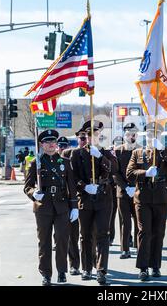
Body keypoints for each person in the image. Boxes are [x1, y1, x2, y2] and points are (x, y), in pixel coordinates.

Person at [24, 129, 79, 286]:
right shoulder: (36, 163)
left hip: (62, 206)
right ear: (41, 144)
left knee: (62, 239)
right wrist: (34, 193)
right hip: (43, 207)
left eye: (53, 142)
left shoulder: (65, 162)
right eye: (48, 142)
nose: (51, 145)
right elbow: (27, 186)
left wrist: (74, 206)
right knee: (44, 242)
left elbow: (72, 186)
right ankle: (46, 274)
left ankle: (62, 271)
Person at [126, 122, 167, 281]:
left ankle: (155, 265)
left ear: (160, 136)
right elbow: (129, 173)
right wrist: (145, 173)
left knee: (158, 232)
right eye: (149, 134)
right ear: (145, 135)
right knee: (144, 231)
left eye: (155, 134)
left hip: (161, 197)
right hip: (143, 196)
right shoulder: (137, 152)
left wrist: (161, 150)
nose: (152, 137)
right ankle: (143, 268)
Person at [70, 120, 118, 285]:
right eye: (89, 135)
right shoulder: (76, 154)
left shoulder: (107, 152)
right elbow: (73, 177)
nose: (92, 138)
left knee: (102, 235)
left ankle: (101, 270)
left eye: (96, 134)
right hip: (86, 197)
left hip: (103, 197)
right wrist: (83, 186)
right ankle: (86, 268)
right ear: (86, 136)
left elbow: (114, 169)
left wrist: (101, 157)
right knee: (85, 235)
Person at [113, 123, 141, 259]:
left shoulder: (142, 150)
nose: (131, 136)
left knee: (139, 221)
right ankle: (125, 249)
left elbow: (143, 171)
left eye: (134, 133)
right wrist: (125, 187)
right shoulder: (117, 151)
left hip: (138, 192)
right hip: (123, 192)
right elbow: (115, 173)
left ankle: (137, 246)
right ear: (124, 135)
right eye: (129, 133)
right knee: (125, 221)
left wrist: (135, 187)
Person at [58, 137, 81, 276]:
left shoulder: (69, 161)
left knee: (74, 236)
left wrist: (74, 205)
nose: (62, 149)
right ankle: (70, 265)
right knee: (63, 237)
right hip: (58, 205)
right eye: (60, 146)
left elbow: (73, 183)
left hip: (72, 202)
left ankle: (77, 264)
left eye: (64, 146)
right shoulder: (50, 161)